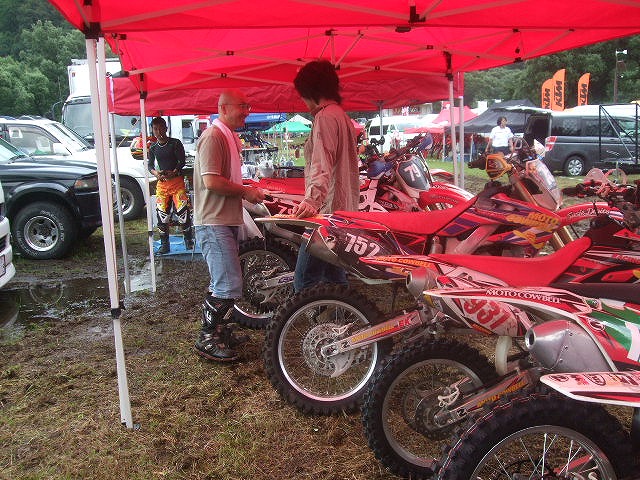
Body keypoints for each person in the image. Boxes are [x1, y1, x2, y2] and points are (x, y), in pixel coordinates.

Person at [192, 89, 265, 362]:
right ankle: (207, 337)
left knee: (224, 281)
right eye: (242, 106)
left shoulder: (228, 136)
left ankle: (220, 331)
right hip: (214, 221)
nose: (246, 111)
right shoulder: (213, 136)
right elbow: (211, 181)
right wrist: (245, 191)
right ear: (223, 108)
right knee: (228, 282)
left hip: (224, 219)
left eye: (248, 106)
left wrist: (246, 188)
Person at [291, 60, 360, 292]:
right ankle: (343, 314)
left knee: (304, 280)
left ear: (310, 91)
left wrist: (311, 201)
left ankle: (311, 315)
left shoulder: (325, 117)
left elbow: (322, 164)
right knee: (335, 277)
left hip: (325, 213)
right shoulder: (341, 115)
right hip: (343, 211)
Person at [148, 116, 194, 254]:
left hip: (177, 184)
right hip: (162, 185)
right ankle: (164, 244)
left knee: (183, 213)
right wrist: (156, 173)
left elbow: (182, 161)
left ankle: (188, 241)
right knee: (162, 215)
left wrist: (174, 172)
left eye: (161, 128)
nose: (158, 132)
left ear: (166, 128)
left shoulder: (175, 143)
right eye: (155, 129)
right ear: (152, 130)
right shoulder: (153, 147)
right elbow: (150, 165)